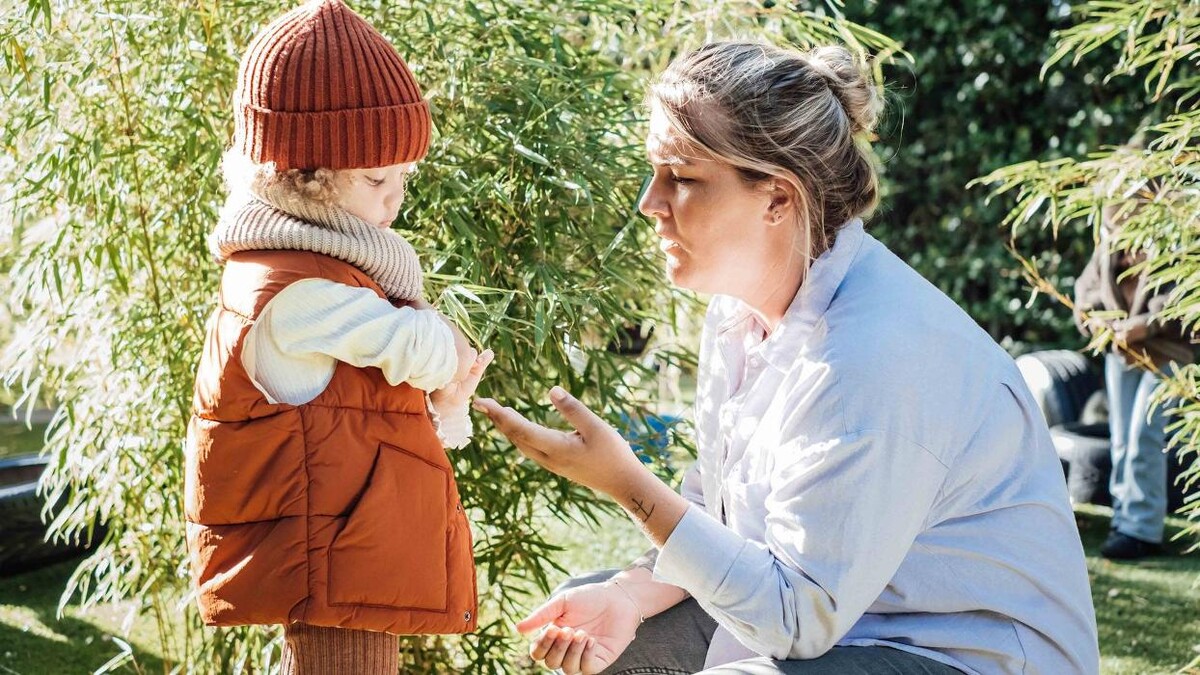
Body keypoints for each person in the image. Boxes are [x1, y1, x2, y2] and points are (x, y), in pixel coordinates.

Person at [474, 41, 1099, 674]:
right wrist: (628, 596)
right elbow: (725, 519)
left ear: (778, 198)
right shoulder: (739, 316)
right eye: (654, 172)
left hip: (957, 653)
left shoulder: (869, 355)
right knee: (597, 626)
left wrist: (627, 485)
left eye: (682, 178)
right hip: (841, 624)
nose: (649, 202)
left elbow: (797, 619)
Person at [183, 1, 491, 672]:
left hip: (347, 562)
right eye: (377, 179)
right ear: (302, 177)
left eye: (404, 178)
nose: (394, 200)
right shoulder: (295, 292)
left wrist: (448, 404)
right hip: (333, 578)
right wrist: (450, 350)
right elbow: (416, 348)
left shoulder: (328, 272)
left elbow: (365, 425)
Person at [1073, 205, 1194, 560]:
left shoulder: (1172, 233)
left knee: (1145, 433)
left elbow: (1184, 297)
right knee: (1122, 436)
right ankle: (1123, 519)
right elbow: (1087, 291)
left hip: (1165, 350)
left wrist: (1148, 324)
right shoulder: (1108, 239)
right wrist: (1096, 322)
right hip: (1120, 350)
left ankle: (1142, 530)